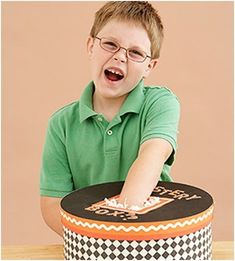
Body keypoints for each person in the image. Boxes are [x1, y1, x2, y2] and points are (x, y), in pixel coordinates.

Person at [40, 1, 180, 236]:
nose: (120, 57)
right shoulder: (61, 124)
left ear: (150, 66)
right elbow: (52, 204)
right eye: (110, 44)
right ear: (90, 46)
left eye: (135, 52)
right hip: (92, 242)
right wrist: (97, 240)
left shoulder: (161, 103)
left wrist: (120, 235)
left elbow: (152, 157)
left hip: (153, 239)